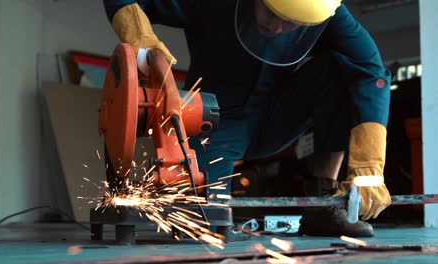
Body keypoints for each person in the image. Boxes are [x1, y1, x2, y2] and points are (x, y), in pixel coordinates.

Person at [102, 0, 392, 237]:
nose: (277, 28)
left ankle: (322, 202)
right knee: (202, 221)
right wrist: (142, 42)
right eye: (271, 13)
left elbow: (372, 72)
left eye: (291, 23)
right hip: (213, 121)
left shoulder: (328, 11)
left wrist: (369, 170)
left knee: (344, 69)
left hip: (278, 118)